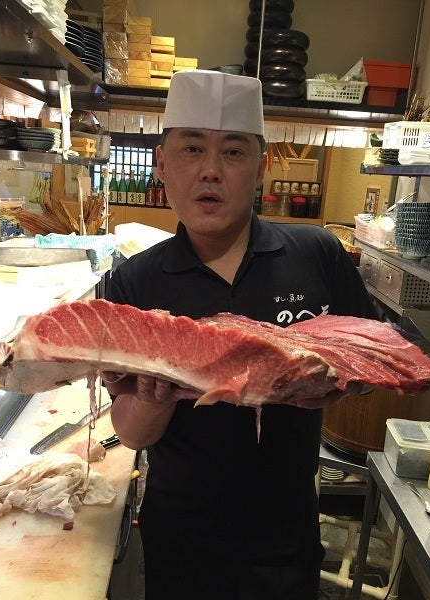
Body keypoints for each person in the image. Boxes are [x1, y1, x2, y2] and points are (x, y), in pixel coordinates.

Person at [103, 69, 378, 600]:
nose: (210, 171)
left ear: (261, 167)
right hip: (180, 542)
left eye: (233, 152)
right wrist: (156, 398)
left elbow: (368, 363)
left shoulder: (316, 254)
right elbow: (131, 434)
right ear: (162, 163)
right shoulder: (135, 281)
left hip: (287, 539)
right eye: (191, 149)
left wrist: (340, 381)